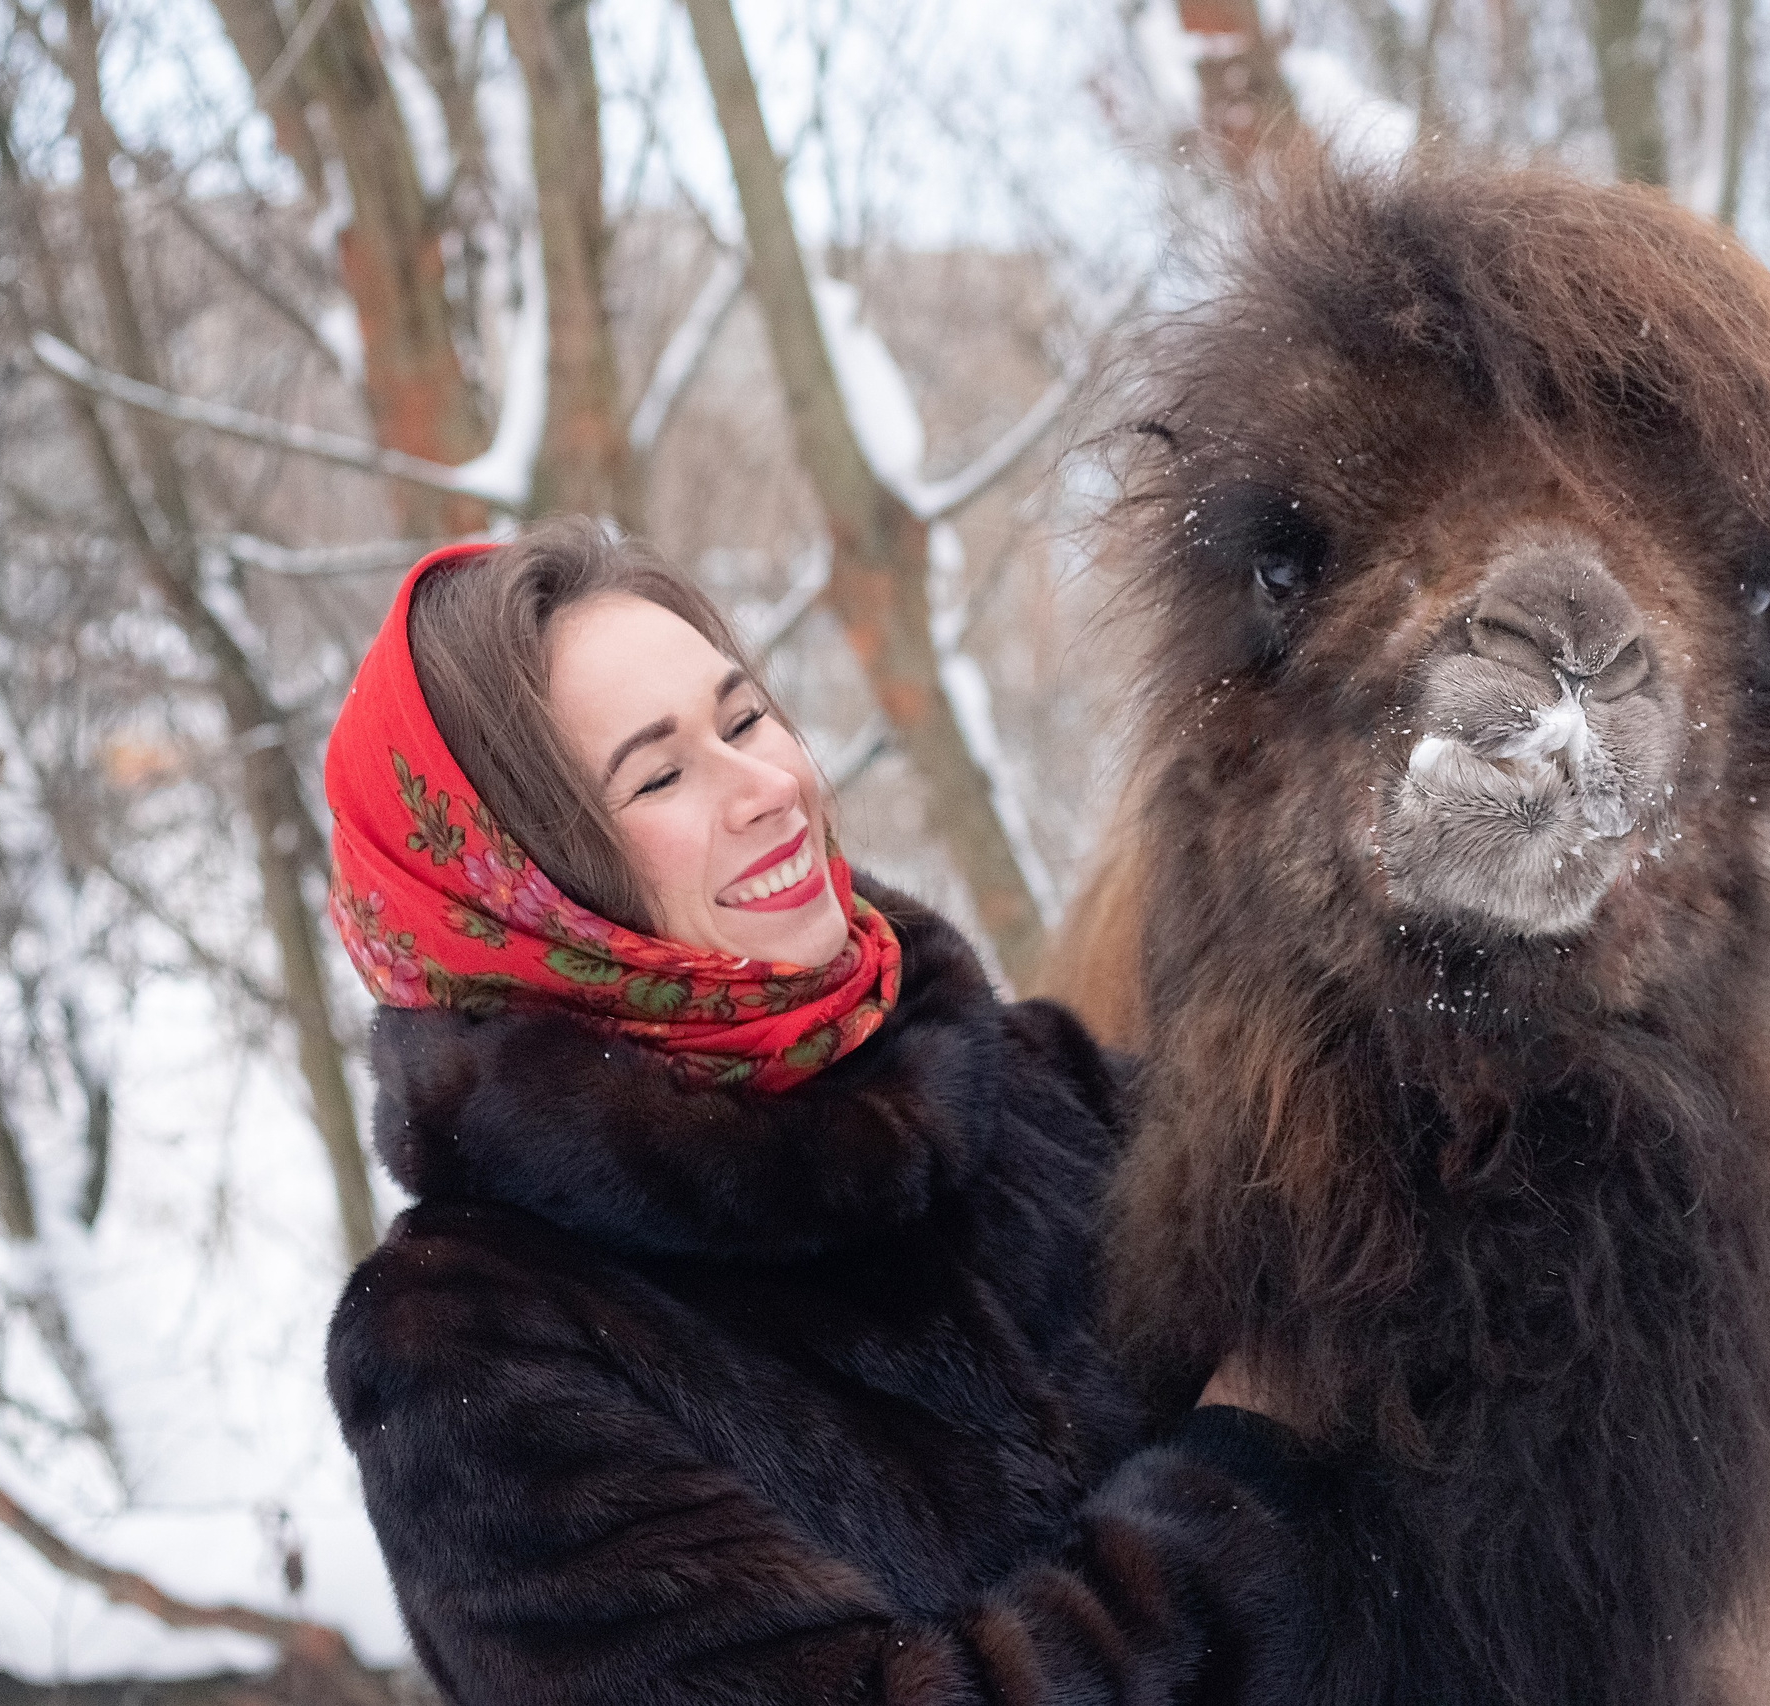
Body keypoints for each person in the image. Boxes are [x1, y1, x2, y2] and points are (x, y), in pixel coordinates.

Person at [320, 521, 1318, 1706]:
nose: (768, 786)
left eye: (743, 718)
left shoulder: (1025, 1075)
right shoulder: (468, 1343)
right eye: (659, 773)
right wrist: (1234, 1473)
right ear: (528, 895)